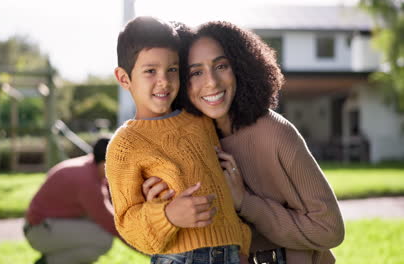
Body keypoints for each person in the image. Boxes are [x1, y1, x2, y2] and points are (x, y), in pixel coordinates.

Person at [144, 21, 345, 264]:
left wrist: (245, 202)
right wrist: (159, 211)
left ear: (239, 68)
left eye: (221, 66)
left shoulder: (275, 133)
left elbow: (329, 229)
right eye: (196, 72)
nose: (212, 82)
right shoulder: (183, 142)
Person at [106, 16, 251, 264]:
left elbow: (219, 190)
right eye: (150, 71)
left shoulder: (201, 122)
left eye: (172, 69)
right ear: (124, 78)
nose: (164, 80)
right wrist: (167, 216)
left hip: (232, 253)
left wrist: (242, 246)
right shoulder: (124, 145)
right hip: (179, 257)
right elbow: (126, 221)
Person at [24, 138, 117, 264]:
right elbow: (112, 224)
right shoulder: (88, 181)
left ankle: (49, 260)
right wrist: (147, 250)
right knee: (103, 238)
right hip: (39, 230)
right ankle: (48, 262)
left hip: (46, 226)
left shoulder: (91, 166)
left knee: (95, 239)